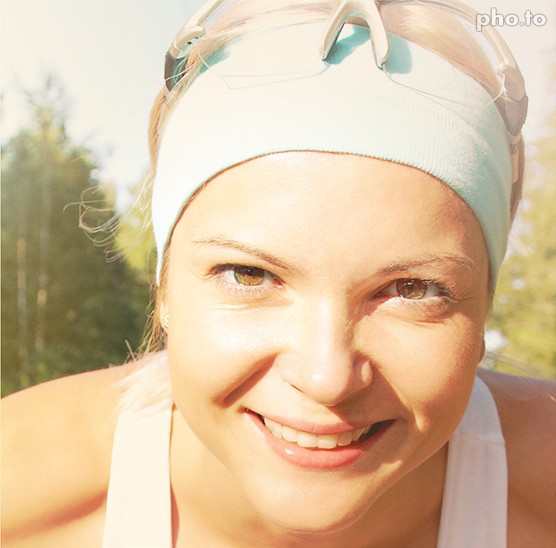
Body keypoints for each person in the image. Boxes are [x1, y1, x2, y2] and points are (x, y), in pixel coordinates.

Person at [2, 1, 555, 546]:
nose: (327, 377)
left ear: (482, 306)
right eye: (249, 275)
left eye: (412, 290)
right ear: (163, 287)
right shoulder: (23, 495)